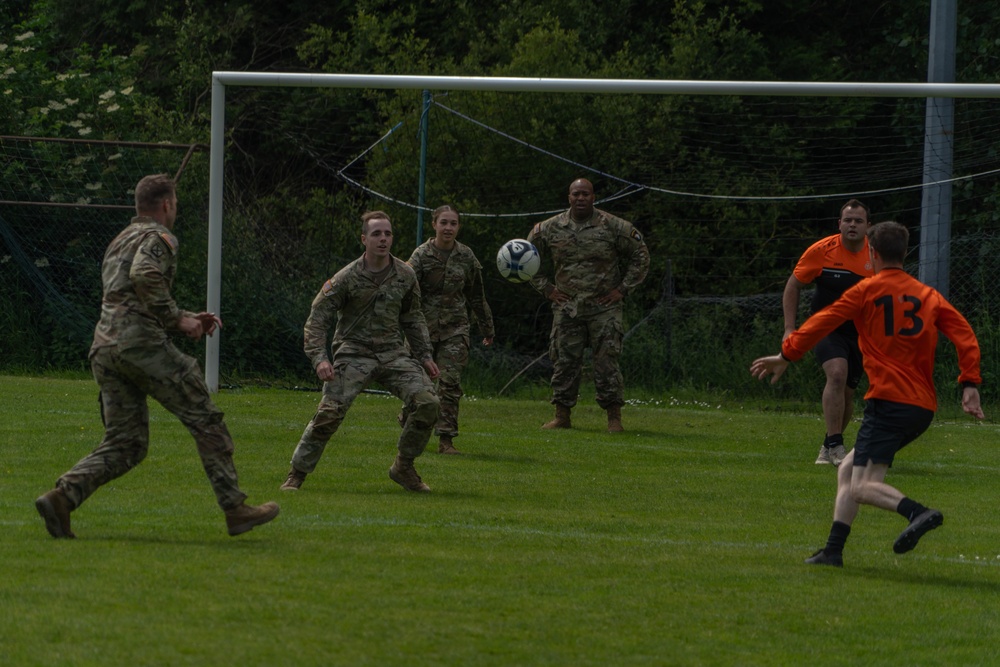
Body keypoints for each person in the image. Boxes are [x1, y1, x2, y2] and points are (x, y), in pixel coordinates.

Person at [34, 174, 280, 539]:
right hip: (139, 344)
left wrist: (185, 316)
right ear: (166, 205)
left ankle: (62, 497)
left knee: (127, 443)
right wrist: (177, 318)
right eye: (175, 204)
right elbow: (144, 274)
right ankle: (235, 509)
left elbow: (126, 291)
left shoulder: (120, 239)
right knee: (205, 416)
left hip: (104, 347)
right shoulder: (159, 237)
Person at [751, 221, 983, 567]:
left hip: (889, 403)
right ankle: (833, 550)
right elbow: (965, 335)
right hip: (920, 408)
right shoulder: (928, 296)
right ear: (905, 253)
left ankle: (917, 512)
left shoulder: (866, 291)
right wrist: (969, 384)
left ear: (872, 253)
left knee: (862, 486)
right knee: (847, 469)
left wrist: (787, 354)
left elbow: (822, 321)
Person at [280, 210, 441, 493]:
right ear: (364, 239)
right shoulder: (346, 277)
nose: (383, 239)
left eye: (387, 233)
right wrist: (320, 359)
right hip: (353, 353)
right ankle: (297, 474)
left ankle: (403, 467)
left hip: (393, 354)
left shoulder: (406, 275)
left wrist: (425, 355)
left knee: (428, 402)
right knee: (330, 413)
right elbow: (318, 318)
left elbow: (413, 318)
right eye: (376, 234)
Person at [527, 177, 650, 432]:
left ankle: (614, 418)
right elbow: (523, 258)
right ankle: (562, 416)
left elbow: (641, 254)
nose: (580, 198)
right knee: (564, 361)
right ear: (568, 197)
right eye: (576, 194)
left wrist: (622, 290)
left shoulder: (613, 226)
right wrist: (547, 289)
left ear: (594, 197)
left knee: (607, 362)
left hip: (604, 307)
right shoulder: (550, 228)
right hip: (567, 307)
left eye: (585, 194)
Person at [782, 199, 874, 466]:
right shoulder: (821, 251)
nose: (852, 225)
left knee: (846, 393)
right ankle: (836, 446)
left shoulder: (877, 255)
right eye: (848, 220)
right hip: (825, 327)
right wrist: (790, 328)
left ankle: (828, 445)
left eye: (858, 221)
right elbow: (793, 285)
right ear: (839, 224)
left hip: (860, 333)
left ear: (869, 226)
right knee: (836, 373)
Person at [404, 205, 495, 454]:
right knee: (417, 384)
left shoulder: (466, 257)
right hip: (421, 330)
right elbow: (404, 292)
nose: (448, 228)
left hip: (455, 329)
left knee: (449, 383)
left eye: (453, 223)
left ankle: (446, 439)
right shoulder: (421, 256)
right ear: (434, 224)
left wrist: (487, 328)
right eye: (443, 222)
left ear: (458, 227)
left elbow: (477, 295)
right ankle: (409, 425)